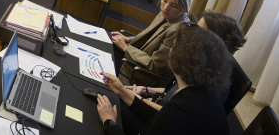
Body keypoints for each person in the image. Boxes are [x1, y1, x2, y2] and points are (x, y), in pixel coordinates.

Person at [97, 24, 232, 135]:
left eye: (173, 47)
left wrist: (109, 122)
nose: (170, 50)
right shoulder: (199, 94)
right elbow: (159, 116)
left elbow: (164, 118)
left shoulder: (183, 108)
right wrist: (121, 91)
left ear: (180, 60)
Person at [111, 0, 192, 85]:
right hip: (135, 59)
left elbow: (155, 65)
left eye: (174, 5)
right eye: (164, 0)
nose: (166, 7)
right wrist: (128, 39)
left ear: (184, 8)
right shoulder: (166, 14)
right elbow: (150, 39)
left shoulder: (177, 31)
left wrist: (126, 48)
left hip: (140, 74)